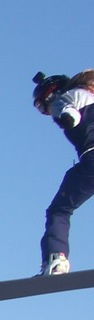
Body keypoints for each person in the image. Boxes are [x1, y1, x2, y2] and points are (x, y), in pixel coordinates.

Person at [31, 70, 94, 275]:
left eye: (43, 107)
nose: (47, 113)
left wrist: (66, 117)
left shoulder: (64, 98)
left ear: (51, 95)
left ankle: (56, 260)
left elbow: (69, 114)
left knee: (59, 210)